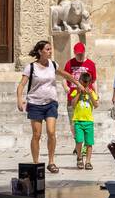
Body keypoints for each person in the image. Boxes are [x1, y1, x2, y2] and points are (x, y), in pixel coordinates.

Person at [16, 40, 80, 173]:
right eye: (48, 49)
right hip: (35, 104)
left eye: (51, 49)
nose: (50, 51)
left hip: (51, 103)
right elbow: (22, 84)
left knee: (51, 132)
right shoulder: (31, 67)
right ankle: (36, 163)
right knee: (37, 135)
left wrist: (77, 83)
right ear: (40, 52)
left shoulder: (53, 64)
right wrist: (19, 99)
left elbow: (64, 74)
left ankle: (51, 162)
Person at [63, 41, 97, 149]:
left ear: (84, 52)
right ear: (74, 52)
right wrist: (66, 88)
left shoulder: (90, 64)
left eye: (81, 53)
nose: (80, 55)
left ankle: (82, 147)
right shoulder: (69, 63)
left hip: (86, 98)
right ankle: (78, 143)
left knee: (85, 122)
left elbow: (94, 81)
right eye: (77, 53)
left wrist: (96, 93)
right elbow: (64, 79)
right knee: (73, 124)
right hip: (73, 97)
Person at [70, 70, 99, 170]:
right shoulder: (75, 91)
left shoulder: (92, 93)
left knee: (89, 143)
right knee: (79, 140)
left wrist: (90, 95)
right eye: (83, 82)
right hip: (78, 121)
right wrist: (78, 93)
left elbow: (96, 105)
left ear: (90, 83)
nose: (85, 84)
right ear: (80, 81)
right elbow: (73, 105)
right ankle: (79, 157)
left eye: (87, 83)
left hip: (89, 122)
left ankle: (88, 161)